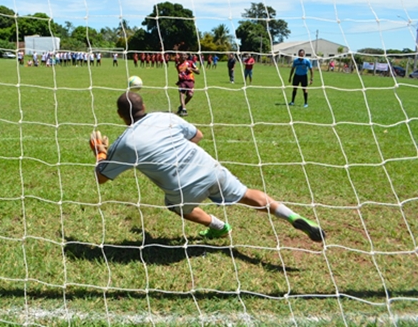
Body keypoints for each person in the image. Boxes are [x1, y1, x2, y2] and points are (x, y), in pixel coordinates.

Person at [89, 92, 326, 242]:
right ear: (144, 106)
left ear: (121, 115)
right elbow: (198, 135)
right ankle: (291, 215)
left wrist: (100, 152)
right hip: (208, 168)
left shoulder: (126, 141)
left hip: (184, 188)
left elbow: (101, 178)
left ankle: (218, 227)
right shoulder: (165, 117)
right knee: (247, 194)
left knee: (175, 205)